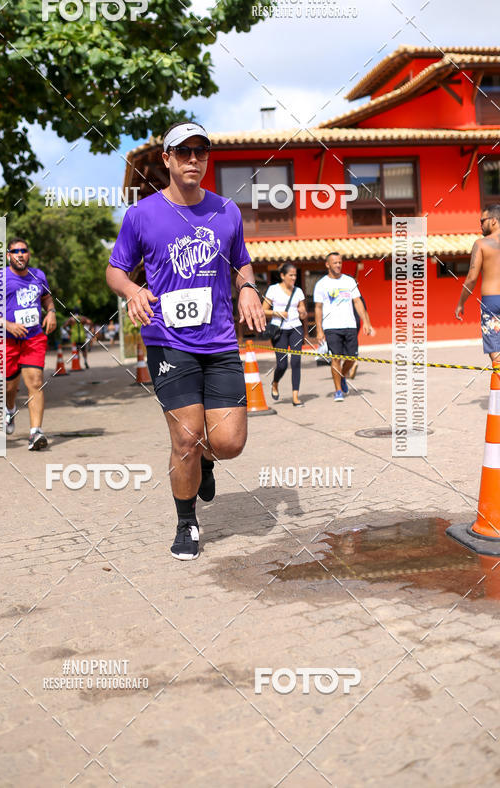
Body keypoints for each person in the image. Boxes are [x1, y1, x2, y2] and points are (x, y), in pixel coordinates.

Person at [106, 120, 265, 561]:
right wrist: (133, 290)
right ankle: (186, 522)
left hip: (219, 343)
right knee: (186, 438)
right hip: (168, 342)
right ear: (168, 159)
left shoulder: (226, 211)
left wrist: (248, 287)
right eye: (185, 151)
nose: (194, 159)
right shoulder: (142, 215)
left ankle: (207, 462)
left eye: (201, 151)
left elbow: (242, 264)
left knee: (229, 443)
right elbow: (115, 270)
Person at [0, 237, 56, 450]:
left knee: (35, 381)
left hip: (33, 337)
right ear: (8, 255)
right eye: (15, 251)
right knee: (9, 386)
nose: (20, 254)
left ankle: (36, 432)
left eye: (24, 250)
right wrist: (6, 324)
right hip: (6, 339)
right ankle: (10, 408)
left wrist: (51, 312)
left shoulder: (38, 275)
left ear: (28, 254)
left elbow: (47, 297)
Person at [314, 252, 374, 401]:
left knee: (352, 357)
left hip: (350, 325)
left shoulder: (349, 281)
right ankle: (338, 391)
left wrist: (366, 321)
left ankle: (341, 377)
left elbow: (357, 302)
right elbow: (318, 308)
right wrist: (319, 330)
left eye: (340, 262)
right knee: (335, 358)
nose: (338, 265)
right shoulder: (321, 284)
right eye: (335, 263)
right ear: (328, 265)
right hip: (331, 327)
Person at [456, 204, 500, 365]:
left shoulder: (481, 244)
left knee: (496, 355)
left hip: (492, 303)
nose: (480, 224)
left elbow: (471, 278)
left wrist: (461, 303)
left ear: (494, 220)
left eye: (483, 220)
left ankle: (497, 390)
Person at [262, 262, 307, 406]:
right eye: (291, 275)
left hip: (296, 328)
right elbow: (263, 310)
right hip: (279, 329)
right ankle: (275, 383)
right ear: (282, 275)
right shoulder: (273, 290)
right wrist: (278, 313)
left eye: (295, 275)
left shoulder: (298, 291)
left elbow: (303, 312)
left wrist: (303, 312)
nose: (294, 278)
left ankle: (295, 396)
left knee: (296, 362)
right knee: (282, 364)